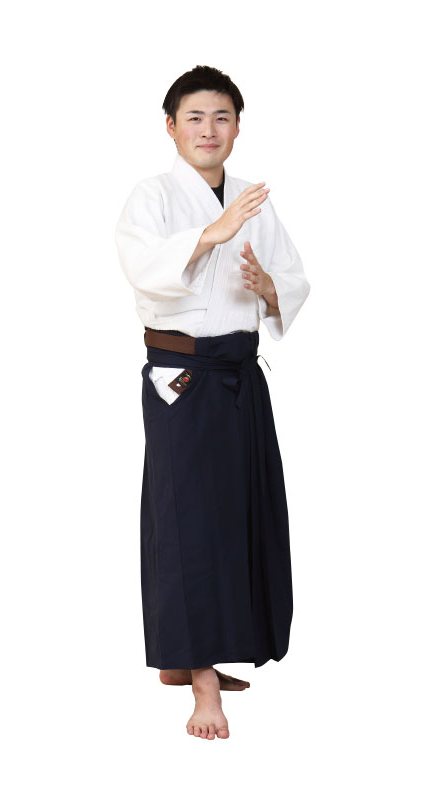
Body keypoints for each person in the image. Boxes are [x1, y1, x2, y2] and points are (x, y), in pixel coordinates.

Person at [114, 65, 310, 740]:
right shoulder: (152, 197)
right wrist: (210, 234)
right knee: (189, 520)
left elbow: (292, 278)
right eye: (194, 117)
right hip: (183, 376)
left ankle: (192, 656)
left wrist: (269, 287)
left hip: (240, 374)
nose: (208, 129)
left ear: (237, 128)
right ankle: (201, 683)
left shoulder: (253, 197)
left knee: (243, 513)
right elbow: (144, 270)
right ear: (171, 127)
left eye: (221, 117)